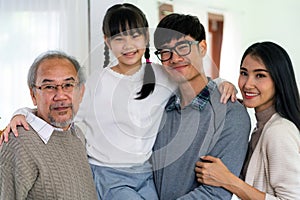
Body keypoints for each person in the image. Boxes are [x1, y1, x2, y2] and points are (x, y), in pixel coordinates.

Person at [0, 4, 237, 200]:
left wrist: (222, 83)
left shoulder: (164, 76)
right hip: (107, 174)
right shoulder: (94, 84)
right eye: (118, 38)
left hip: (145, 174)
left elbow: (193, 80)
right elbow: (60, 108)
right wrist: (21, 113)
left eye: (135, 35)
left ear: (145, 37)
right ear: (107, 41)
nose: (128, 45)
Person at [150, 13, 251, 200]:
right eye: (166, 52)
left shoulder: (231, 113)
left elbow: (216, 193)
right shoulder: (162, 107)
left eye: (182, 47)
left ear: (202, 48)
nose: (174, 58)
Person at [195, 41, 300, 200]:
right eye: (244, 73)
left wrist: (228, 180)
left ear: (279, 80)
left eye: (260, 75)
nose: (247, 84)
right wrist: (223, 85)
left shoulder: (279, 132)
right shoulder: (262, 126)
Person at [0, 51, 97, 199]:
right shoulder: (19, 143)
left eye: (68, 85)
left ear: (81, 92)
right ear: (33, 95)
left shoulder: (77, 134)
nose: (60, 95)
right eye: (49, 87)